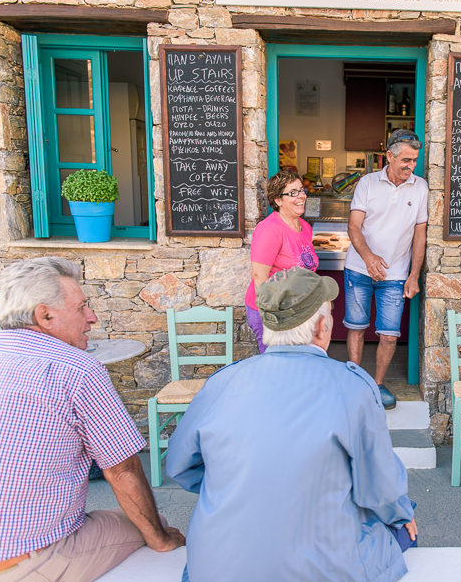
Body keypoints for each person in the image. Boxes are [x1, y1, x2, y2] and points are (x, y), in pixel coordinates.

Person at [0, 257, 184, 582]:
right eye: (82, 307)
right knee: (159, 524)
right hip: (21, 562)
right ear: (45, 314)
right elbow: (122, 470)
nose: (91, 318)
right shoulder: (78, 369)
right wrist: (161, 540)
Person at [168, 267, 418, 582]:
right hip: (323, 568)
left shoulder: (223, 382)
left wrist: (242, 482)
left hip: (214, 568)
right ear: (320, 328)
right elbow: (381, 489)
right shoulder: (352, 387)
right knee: (403, 529)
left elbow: (179, 464)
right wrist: (402, 513)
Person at [345, 129, 428, 410]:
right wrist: (368, 257)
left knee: (390, 334)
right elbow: (354, 226)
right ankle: (355, 381)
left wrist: (413, 275)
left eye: (414, 160)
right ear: (389, 156)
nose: (410, 166)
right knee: (356, 328)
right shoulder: (367, 183)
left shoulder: (420, 187)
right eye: (405, 160)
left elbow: (420, 236)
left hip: (395, 274)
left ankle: (377, 384)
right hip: (358, 269)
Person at [245, 170, 319, 353]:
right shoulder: (270, 229)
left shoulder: (305, 227)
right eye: (293, 193)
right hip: (273, 312)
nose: (301, 196)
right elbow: (258, 277)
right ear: (278, 200)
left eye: (302, 190)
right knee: (275, 366)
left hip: (295, 311)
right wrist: (273, 318)